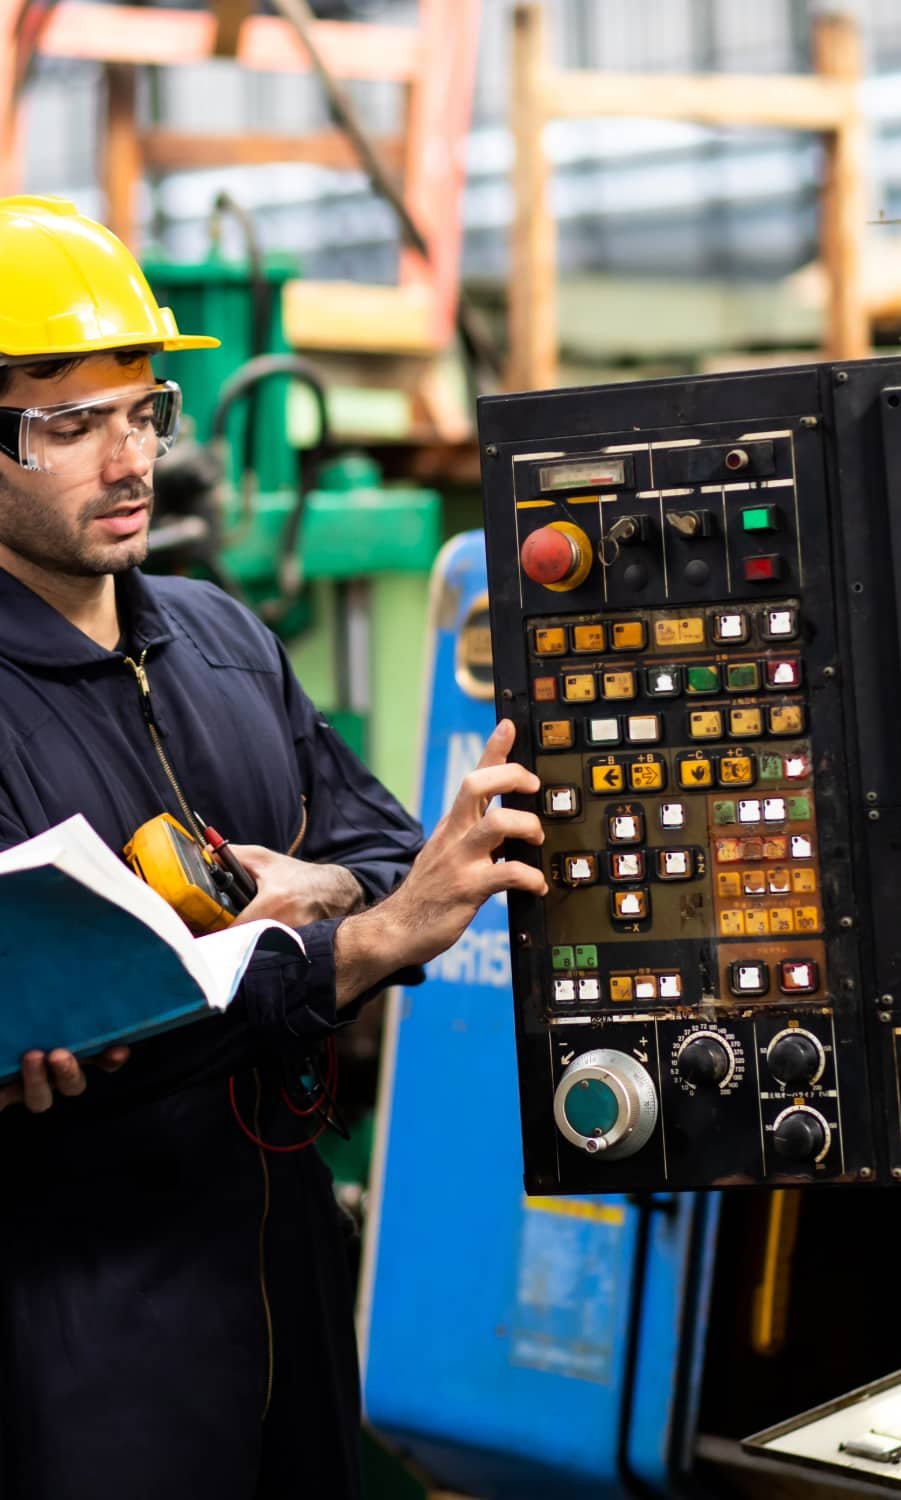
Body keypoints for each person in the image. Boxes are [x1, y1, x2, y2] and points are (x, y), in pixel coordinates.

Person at [0, 197, 546, 1500]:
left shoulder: (219, 636)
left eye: (142, 413)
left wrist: (321, 889)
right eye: (69, 428)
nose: (126, 462)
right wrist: (363, 934)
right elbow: (119, 1020)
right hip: (90, 1329)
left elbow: (376, 839)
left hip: (285, 1278)